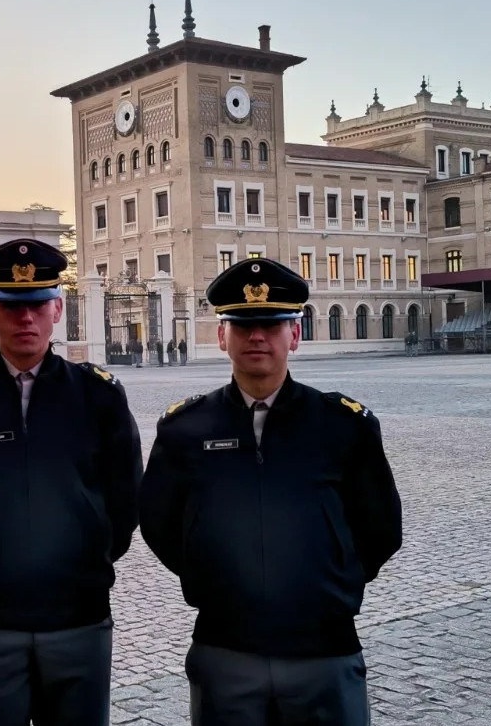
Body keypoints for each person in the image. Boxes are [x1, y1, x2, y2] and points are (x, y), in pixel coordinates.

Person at [139, 257, 402, 726]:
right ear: (223, 337)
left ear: (293, 336)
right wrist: (213, 574)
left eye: (270, 324)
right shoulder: (185, 428)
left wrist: (332, 583)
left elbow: (380, 526)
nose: (256, 336)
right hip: (225, 648)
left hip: (324, 650)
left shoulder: (343, 426)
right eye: (242, 326)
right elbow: (160, 523)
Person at [0, 238, 143, 726]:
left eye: (37, 305)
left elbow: (126, 499)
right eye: (12, 307)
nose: (26, 320)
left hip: (79, 622)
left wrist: (91, 557)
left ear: (57, 309)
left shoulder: (99, 399)